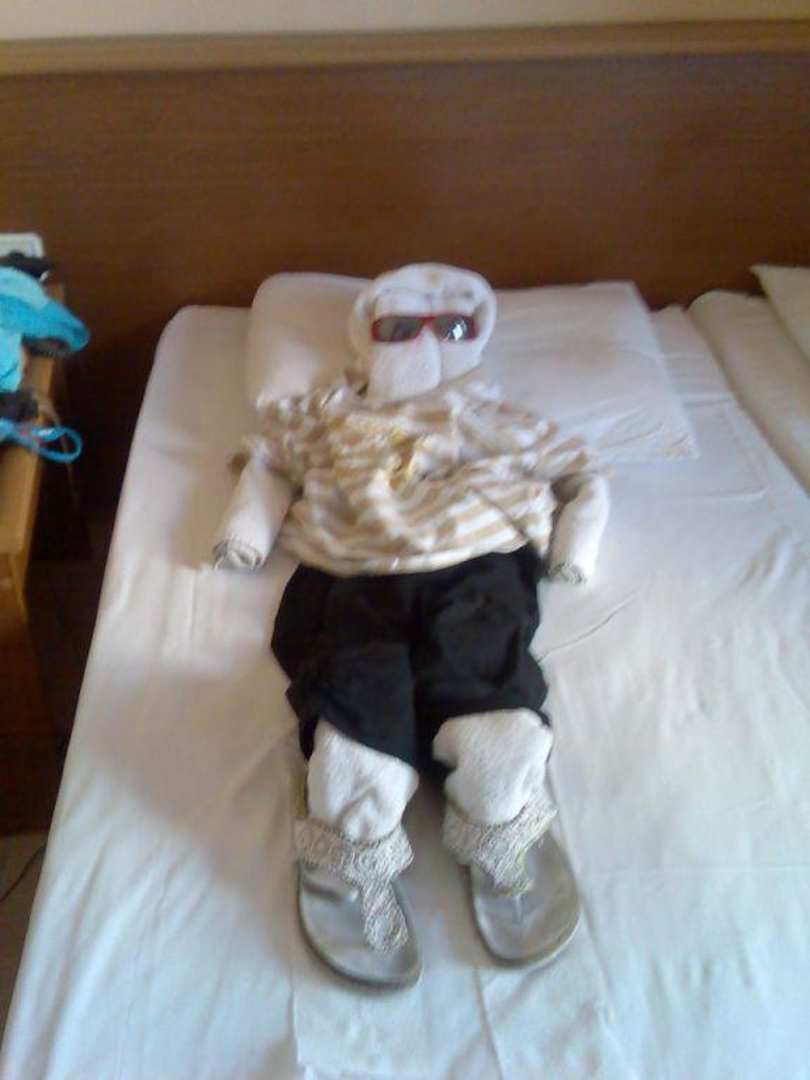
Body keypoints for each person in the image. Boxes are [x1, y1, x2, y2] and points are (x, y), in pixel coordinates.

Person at [237, 264, 609, 987]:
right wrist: (246, 533)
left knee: (483, 673)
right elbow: (267, 461)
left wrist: (575, 549)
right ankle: (352, 825)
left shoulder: (497, 416)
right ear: (367, 336)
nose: (428, 343)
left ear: (477, 337)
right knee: (358, 677)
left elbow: (583, 473)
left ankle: (498, 799)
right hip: (356, 568)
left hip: (478, 561)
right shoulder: (327, 415)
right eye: (402, 327)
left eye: (454, 328)